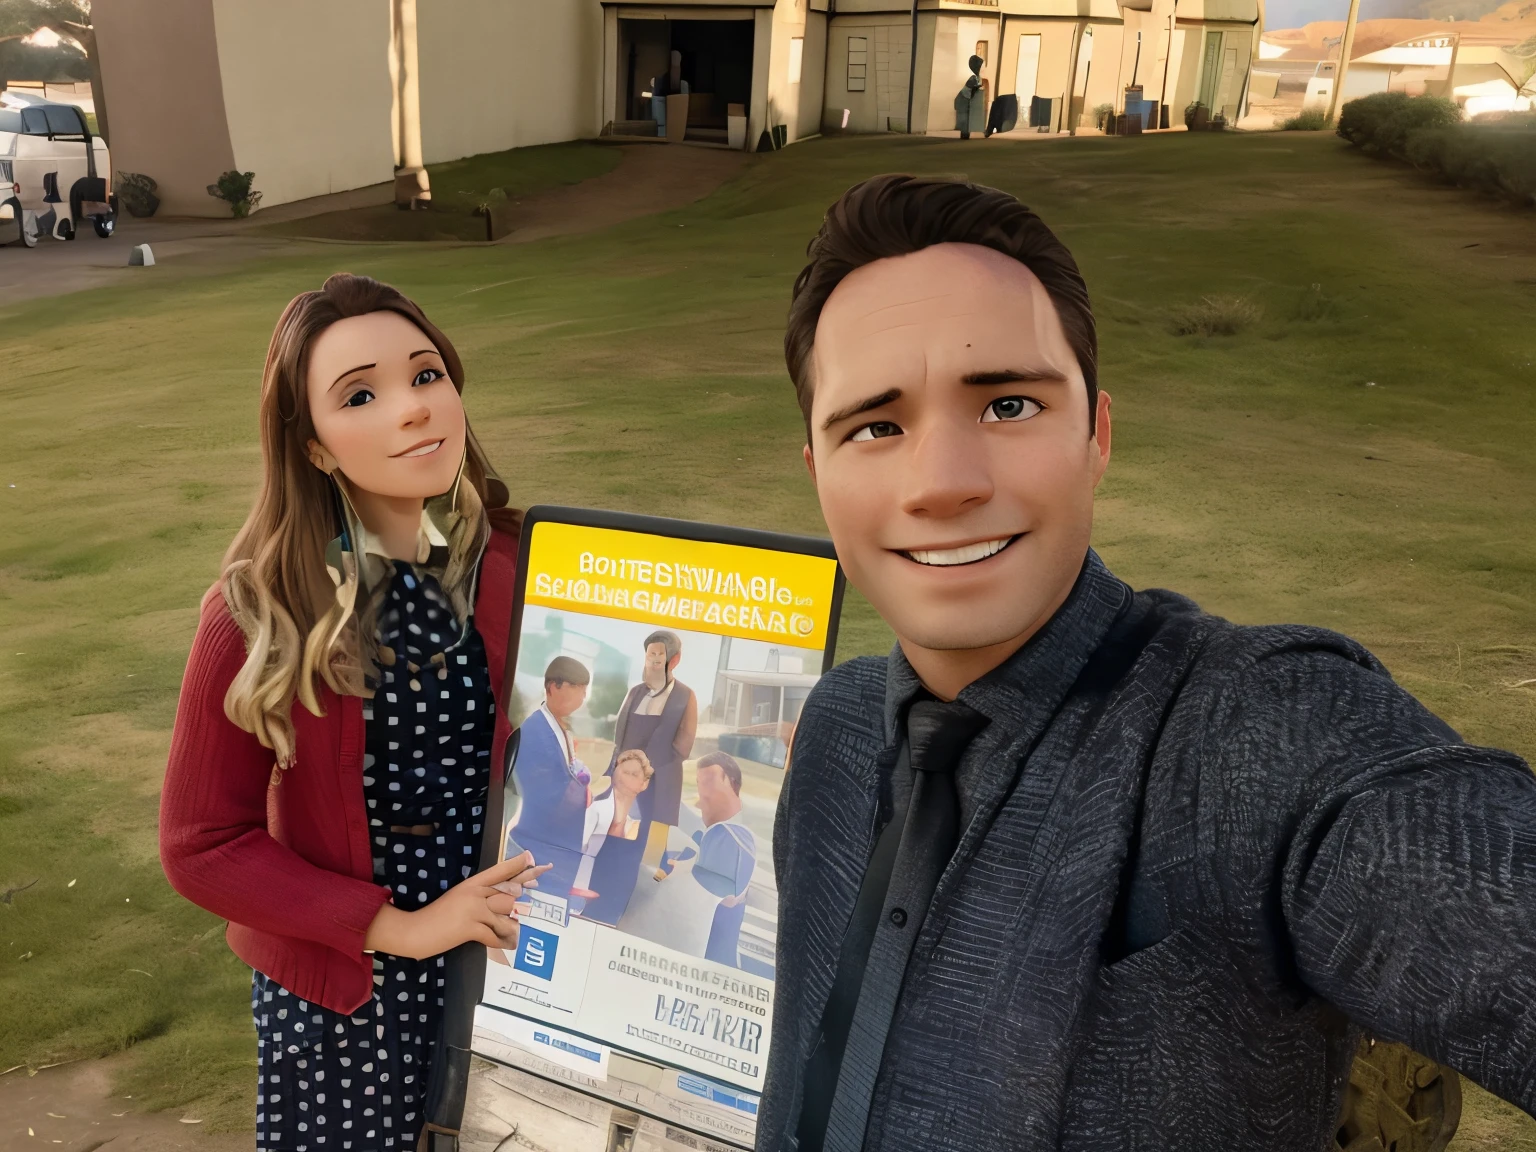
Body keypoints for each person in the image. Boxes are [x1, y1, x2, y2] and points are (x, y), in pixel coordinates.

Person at [758, 175, 1536, 1152]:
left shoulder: (1256, 734)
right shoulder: (833, 730)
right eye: (875, 427)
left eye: (1006, 404)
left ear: (1097, 437)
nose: (943, 483)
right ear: (819, 474)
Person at [159, 274, 550, 1152]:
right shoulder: (258, 610)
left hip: (501, 972)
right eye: (361, 395)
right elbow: (199, 845)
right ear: (315, 448)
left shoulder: (520, 570)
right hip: (347, 1000)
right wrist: (401, 929)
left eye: (426, 375)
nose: (412, 409)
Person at [582, 630, 698, 923]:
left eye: (661, 655)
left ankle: (624, 917)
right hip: (621, 787)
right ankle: (594, 907)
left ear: (675, 659)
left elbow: (682, 746)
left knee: (643, 858)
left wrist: (641, 772)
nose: (655, 660)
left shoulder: (686, 696)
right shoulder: (635, 692)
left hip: (657, 792)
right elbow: (619, 736)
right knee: (607, 845)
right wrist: (619, 772)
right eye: (651, 655)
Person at [507, 656, 593, 904]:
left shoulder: (558, 728)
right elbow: (544, 794)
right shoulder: (534, 731)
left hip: (553, 844)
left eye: (585, 690)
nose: (583, 696)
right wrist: (583, 792)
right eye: (577, 688)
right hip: (539, 844)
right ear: (554, 686)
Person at [689, 751, 758, 968]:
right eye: (699, 782)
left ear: (732, 782)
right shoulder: (705, 832)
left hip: (715, 956)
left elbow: (729, 896)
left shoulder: (739, 836)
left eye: (709, 781)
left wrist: (685, 870)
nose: (703, 792)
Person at [573, 748, 654, 906]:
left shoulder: (636, 825)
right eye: (624, 772)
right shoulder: (595, 810)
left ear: (644, 784)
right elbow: (577, 847)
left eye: (634, 774)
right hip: (583, 886)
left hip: (616, 892)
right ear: (615, 773)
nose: (627, 778)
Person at [650, 49, 690, 138]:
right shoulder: (660, 81)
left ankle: (674, 134)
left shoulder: (682, 83)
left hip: (675, 97)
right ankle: (661, 134)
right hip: (661, 96)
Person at [954, 55, 985, 140]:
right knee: (964, 118)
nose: (983, 68)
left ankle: (965, 135)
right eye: (981, 66)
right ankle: (964, 135)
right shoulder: (973, 78)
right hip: (963, 99)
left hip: (965, 99)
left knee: (967, 118)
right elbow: (972, 90)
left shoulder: (978, 78)